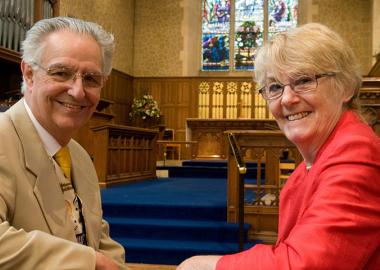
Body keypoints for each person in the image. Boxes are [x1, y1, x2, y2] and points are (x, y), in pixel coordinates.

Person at [177, 23, 380, 270]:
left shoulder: (356, 153)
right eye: (274, 87)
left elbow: (304, 264)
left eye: (304, 80)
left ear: (345, 87)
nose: (287, 99)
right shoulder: (323, 154)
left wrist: (206, 265)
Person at [0, 17, 128, 269]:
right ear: (29, 73)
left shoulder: (79, 157)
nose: (78, 91)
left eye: (91, 78)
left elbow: (99, 240)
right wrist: (90, 262)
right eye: (61, 73)